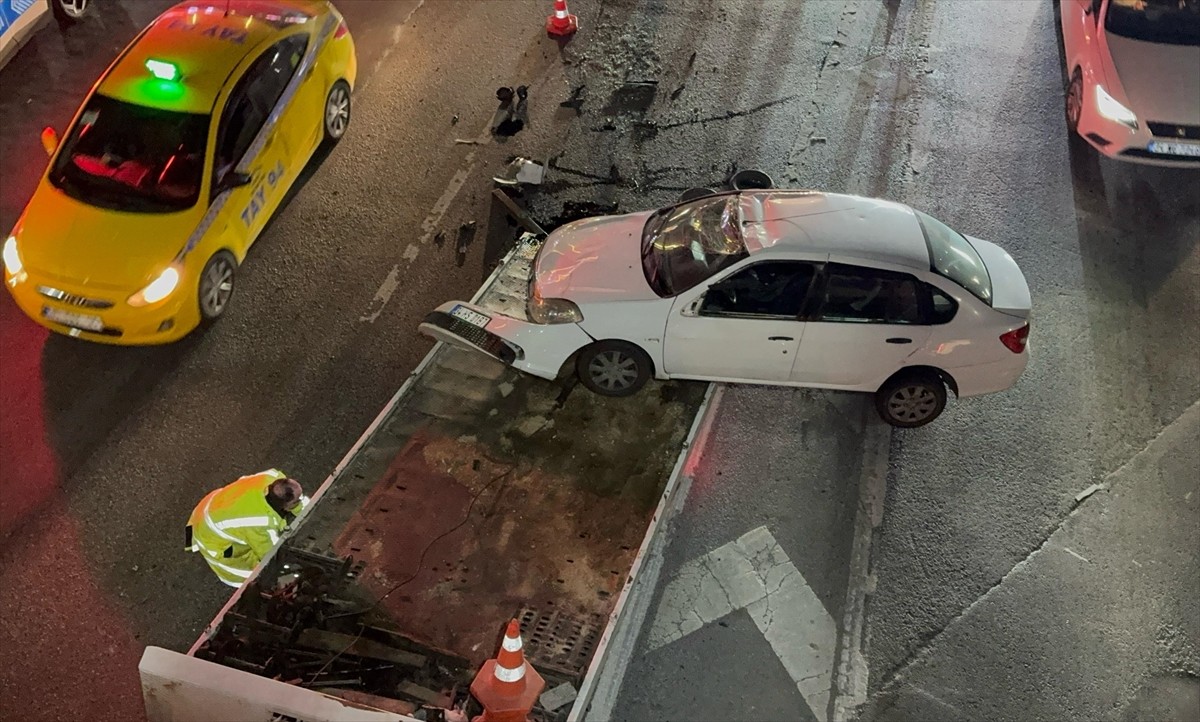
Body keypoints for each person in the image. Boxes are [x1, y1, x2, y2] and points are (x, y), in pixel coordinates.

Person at [185, 469, 310, 588]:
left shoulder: (271, 477)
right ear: (286, 505)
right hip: (213, 539)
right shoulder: (260, 523)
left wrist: (307, 509)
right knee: (243, 563)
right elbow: (270, 554)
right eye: (297, 501)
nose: (301, 500)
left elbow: (297, 501)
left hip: (210, 508)